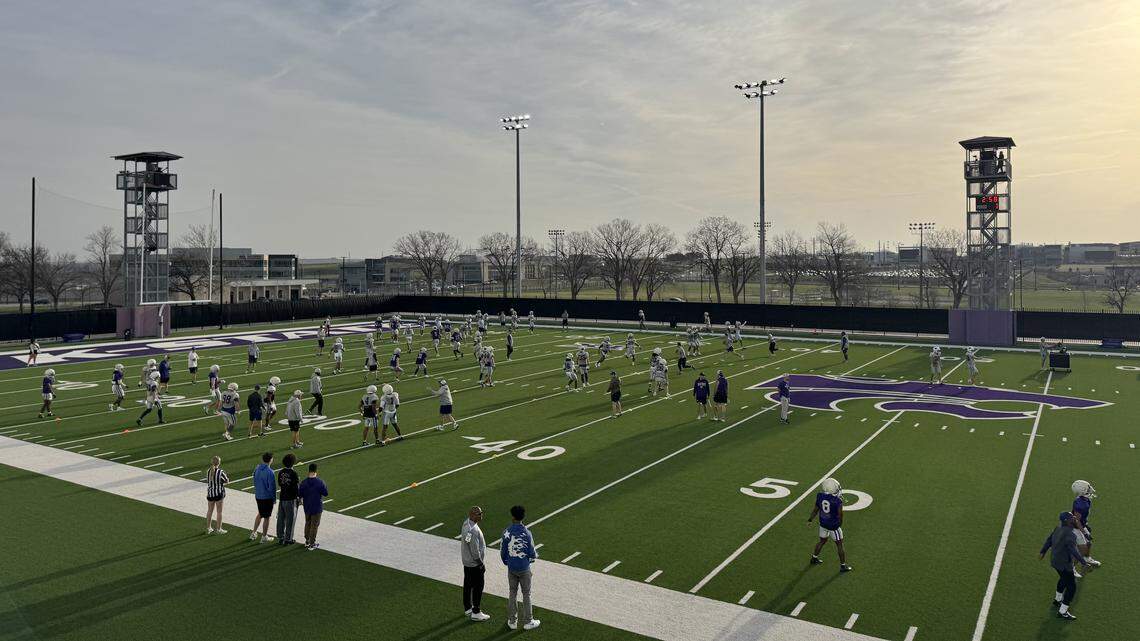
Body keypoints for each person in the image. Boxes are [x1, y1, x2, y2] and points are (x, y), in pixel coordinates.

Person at [1040, 512, 1098, 620]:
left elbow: (1049, 540)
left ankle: (1057, 600)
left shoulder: (1057, 529)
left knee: (1063, 579)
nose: (1074, 518)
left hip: (1055, 561)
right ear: (1067, 521)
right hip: (1064, 564)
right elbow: (1073, 550)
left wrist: (1043, 551)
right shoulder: (1070, 535)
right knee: (1072, 587)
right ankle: (1063, 611)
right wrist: (1084, 562)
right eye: (1072, 518)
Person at [501, 505, 540, 630]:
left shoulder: (507, 532)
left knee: (512, 593)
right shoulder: (527, 533)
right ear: (523, 516)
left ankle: (512, 621)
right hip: (524, 568)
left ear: (513, 517)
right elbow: (532, 552)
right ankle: (528, 621)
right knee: (526, 594)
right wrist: (532, 558)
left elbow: (503, 551)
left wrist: (507, 562)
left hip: (512, 567)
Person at [808, 478, 851, 572]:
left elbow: (816, 509)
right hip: (833, 526)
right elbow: (840, 515)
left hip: (823, 524)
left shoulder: (820, 496)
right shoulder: (837, 501)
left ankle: (814, 558)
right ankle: (843, 566)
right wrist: (839, 524)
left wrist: (810, 519)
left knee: (822, 541)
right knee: (839, 544)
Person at [461, 506, 491, 622]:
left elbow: (468, 543)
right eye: (479, 513)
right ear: (472, 515)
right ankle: (476, 611)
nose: (481, 515)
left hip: (467, 562)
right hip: (474, 564)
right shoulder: (472, 530)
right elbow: (474, 550)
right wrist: (480, 564)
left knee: (468, 585)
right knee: (478, 586)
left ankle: (468, 607)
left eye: (481, 513)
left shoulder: (467, 524)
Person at [298, 463, 328, 550]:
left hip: (307, 506)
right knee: (314, 525)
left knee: (307, 523)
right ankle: (312, 543)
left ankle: (307, 541)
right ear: (316, 471)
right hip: (317, 507)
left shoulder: (303, 482)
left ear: (309, 471)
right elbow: (325, 493)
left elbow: (300, 494)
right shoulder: (320, 482)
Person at [1071, 480, 1099, 573]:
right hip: (1076, 528)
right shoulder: (1080, 504)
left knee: (1089, 543)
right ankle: (1071, 568)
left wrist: (1086, 524)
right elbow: (1076, 520)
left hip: (1082, 525)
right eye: (1088, 487)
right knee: (1081, 550)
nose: (1090, 488)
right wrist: (1084, 532)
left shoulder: (1085, 499)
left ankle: (1087, 558)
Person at [251, 452, 276, 543]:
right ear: (271, 460)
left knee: (260, 513)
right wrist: (274, 499)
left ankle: (254, 532)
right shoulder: (270, 472)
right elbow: (272, 488)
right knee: (267, 517)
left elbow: (254, 478)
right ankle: (264, 536)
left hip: (258, 495)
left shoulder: (257, 468)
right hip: (267, 497)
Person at [276, 453, 300, 545]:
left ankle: (280, 537)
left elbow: (280, 483)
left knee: (281, 519)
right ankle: (288, 539)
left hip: (282, 497)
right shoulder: (294, 473)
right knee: (290, 520)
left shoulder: (281, 472)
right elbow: (296, 488)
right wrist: (299, 498)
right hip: (291, 499)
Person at [205, 456, 229, 534]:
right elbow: (226, 480)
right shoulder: (220, 471)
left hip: (210, 493)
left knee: (209, 511)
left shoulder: (208, 471)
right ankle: (219, 529)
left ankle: (209, 528)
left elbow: (208, 480)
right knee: (219, 512)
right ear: (219, 463)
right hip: (218, 493)